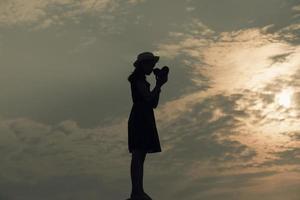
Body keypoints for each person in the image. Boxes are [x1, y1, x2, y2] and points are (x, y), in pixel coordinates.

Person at [127, 52, 168, 200]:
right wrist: (158, 85)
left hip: (145, 115)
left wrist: (159, 85)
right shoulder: (137, 80)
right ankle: (136, 191)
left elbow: (153, 103)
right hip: (140, 117)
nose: (153, 67)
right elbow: (149, 98)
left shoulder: (143, 81)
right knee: (138, 155)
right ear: (143, 65)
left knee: (141, 155)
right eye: (150, 64)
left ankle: (138, 190)